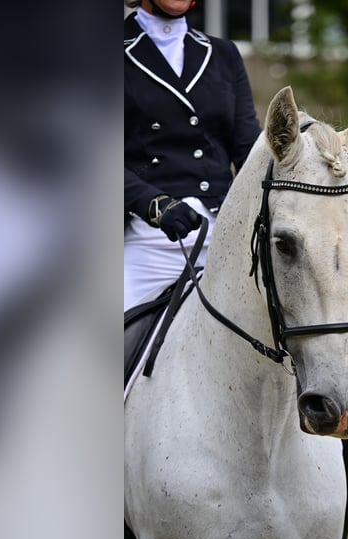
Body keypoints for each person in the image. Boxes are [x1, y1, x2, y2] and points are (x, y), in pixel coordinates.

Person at [124, 0, 261, 312]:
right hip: (146, 240)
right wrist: (155, 206)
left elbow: (249, 151)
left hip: (224, 237)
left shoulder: (224, 54)